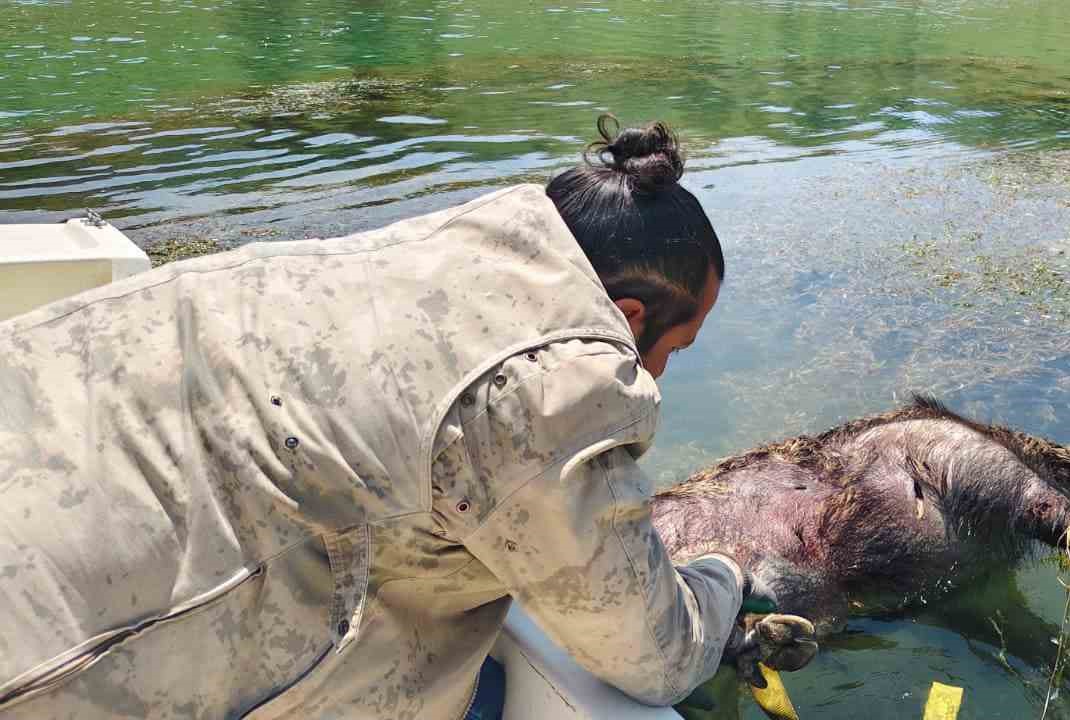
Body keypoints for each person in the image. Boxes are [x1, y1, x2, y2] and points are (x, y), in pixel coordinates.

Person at [0, 116, 813, 719]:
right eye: (676, 345)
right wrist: (719, 582)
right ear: (629, 317)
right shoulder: (545, 392)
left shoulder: (394, 259)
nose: (663, 372)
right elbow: (649, 653)